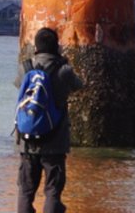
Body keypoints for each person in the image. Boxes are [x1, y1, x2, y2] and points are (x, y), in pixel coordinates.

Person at [15, 26, 83, 213]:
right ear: (57, 47)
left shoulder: (25, 68)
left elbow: (18, 87)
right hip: (55, 140)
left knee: (25, 190)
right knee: (53, 190)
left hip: (27, 141)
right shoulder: (64, 70)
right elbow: (79, 86)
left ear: (36, 47)